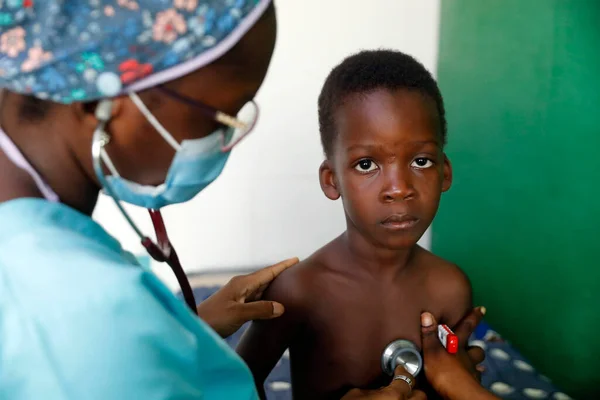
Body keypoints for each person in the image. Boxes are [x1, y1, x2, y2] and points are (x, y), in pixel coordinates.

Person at [0, 2, 471, 399]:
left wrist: (189, 325)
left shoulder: (54, 266)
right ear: (100, 102)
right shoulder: (76, 318)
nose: (229, 137)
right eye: (221, 112)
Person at [236, 49, 476, 399]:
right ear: (331, 180)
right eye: (366, 164)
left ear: (445, 172)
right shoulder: (300, 291)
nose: (399, 189)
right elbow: (236, 384)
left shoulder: (450, 289)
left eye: (421, 161)